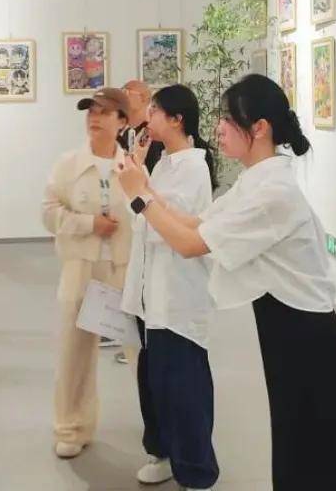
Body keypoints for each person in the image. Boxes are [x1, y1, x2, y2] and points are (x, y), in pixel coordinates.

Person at [117, 74, 336, 490]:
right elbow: (197, 222)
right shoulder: (255, 180)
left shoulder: (273, 192)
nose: (219, 127)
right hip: (283, 326)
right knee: (296, 441)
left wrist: (141, 197)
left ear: (258, 128)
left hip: (306, 334)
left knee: (323, 447)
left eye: (229, 118)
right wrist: (145, 188)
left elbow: (190, 244)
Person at [120, 85, 219, 489]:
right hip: (150, 293)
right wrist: (140, 173)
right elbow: (142, 216)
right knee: (153, 382)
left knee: (183, 388)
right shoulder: (163, 162)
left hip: (177, 296)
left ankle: (196, 470)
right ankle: (160, 452)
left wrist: (139, 187)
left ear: (177, 119)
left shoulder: (194, 168)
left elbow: (168, 224)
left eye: (156, 110)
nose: (148, 115)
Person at [41, 88, 133, 459]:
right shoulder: (68, 165)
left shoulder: (133, 167)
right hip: (80, 267)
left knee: (141, 352)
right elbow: (49, 213)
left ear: (122, 121)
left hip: (124, 268)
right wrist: (89, 223)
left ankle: (160, 432)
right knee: (74, 352)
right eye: (90, 111)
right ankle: (71, 428)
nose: (94, 117)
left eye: (104, 112)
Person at [105, 79, 165, 358]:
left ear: (142, 98)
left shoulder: (152, 137)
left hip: (146, 213)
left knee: (141, 277)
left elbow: (150, 180)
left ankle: (138, 339)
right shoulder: (126, 132)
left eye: (127, 94)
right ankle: (122, 331)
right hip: (127, 210)